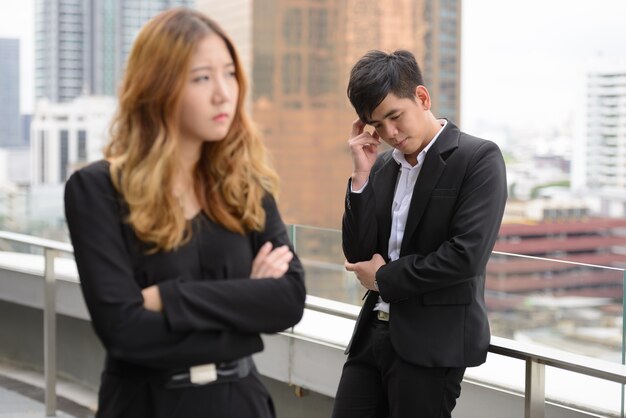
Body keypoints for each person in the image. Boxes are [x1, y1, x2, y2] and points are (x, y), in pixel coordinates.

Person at [64, 8, 306, 418]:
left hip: (240, 403)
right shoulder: (98, 189)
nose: (223, 93)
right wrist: (246, 306)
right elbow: (124, 333)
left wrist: (167, 297)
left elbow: (288, 299)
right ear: (157, 87)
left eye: (229, 73)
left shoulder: (243, 184)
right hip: (146, 405)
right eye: (201, 78)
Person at [332, 49, 507, 418]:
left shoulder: (477, 158)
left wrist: (383, 278)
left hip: (430, 347)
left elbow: (466, 256)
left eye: (395, 117)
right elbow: (357, 251)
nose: (390, 133)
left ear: (422, 98)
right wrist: (360, 177)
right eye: (377, 125)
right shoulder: (381, 168)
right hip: (370, 338)